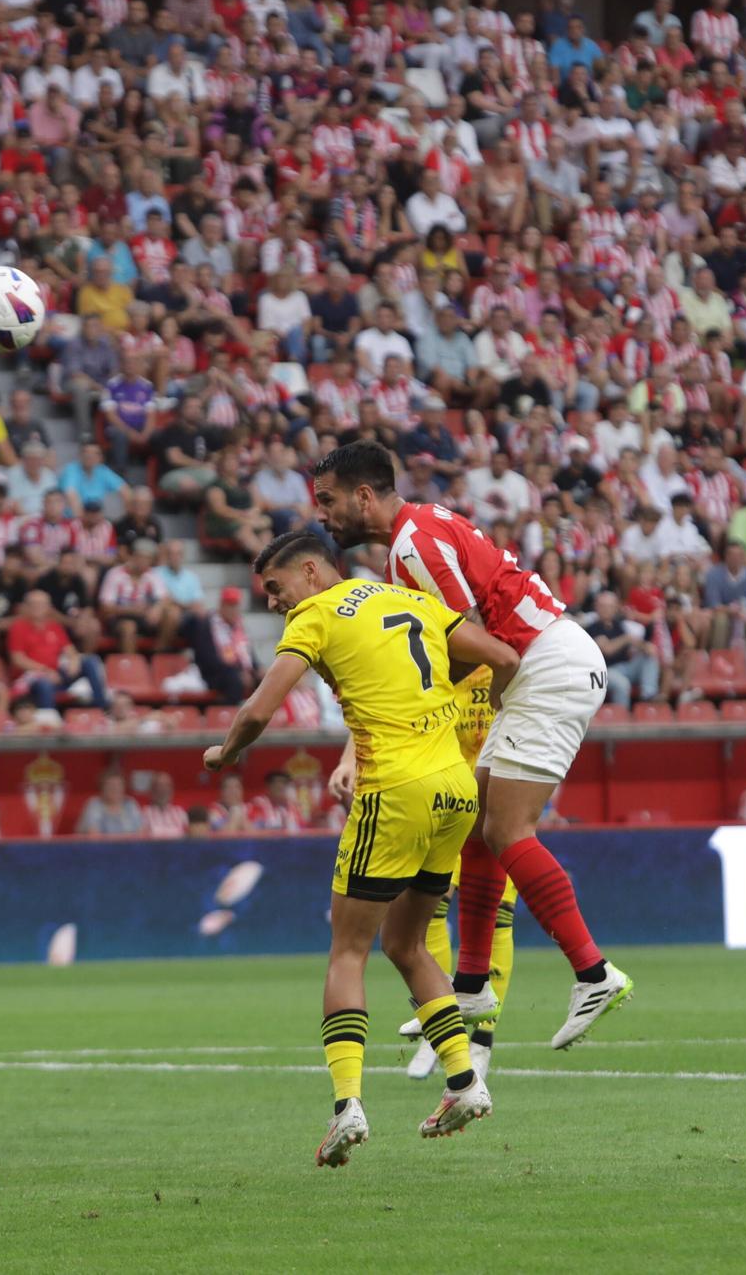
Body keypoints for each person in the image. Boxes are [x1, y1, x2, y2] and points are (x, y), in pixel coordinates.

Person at [203, 531, 520, 1165]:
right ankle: (465, 1082)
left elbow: (263, 707)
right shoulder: (409, 598)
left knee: (347, 950)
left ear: (312, 571)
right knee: (405, 943)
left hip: (393, 790)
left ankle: (347, 1106)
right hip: (456, 787)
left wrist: (228, 752)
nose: (274, 602)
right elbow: (503, 658)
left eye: (276, 587)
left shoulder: (315, 614)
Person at [311, 441, 634, 1049]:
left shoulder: (413, 547)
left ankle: (594, 972)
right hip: (542, 663)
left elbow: (482, 647)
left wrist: (402, 707)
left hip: (546, 665)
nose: (321, 516)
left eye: (327, 501)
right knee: (478, 831)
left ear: (363, 496)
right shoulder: (421, 530)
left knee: (510, 831)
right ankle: (470, 985)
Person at [403, 662, 520, 1083]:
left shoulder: (512, 662)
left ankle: (482, 1040)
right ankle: (438, 1029)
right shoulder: (438, 661)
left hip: (498, 803)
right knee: (427, 912)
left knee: (498, 919)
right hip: (448, 804)